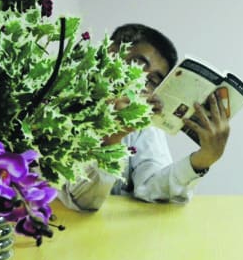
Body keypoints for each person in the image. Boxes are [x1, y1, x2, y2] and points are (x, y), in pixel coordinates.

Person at [58, 23, 231, 211]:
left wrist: (203, 159)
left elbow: (151, 188)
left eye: (152, 81)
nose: (140, 82)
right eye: (137, 66)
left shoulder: (141, 122)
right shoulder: (57, 106)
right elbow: (81, 202)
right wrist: (111, 139)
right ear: (110, 53)